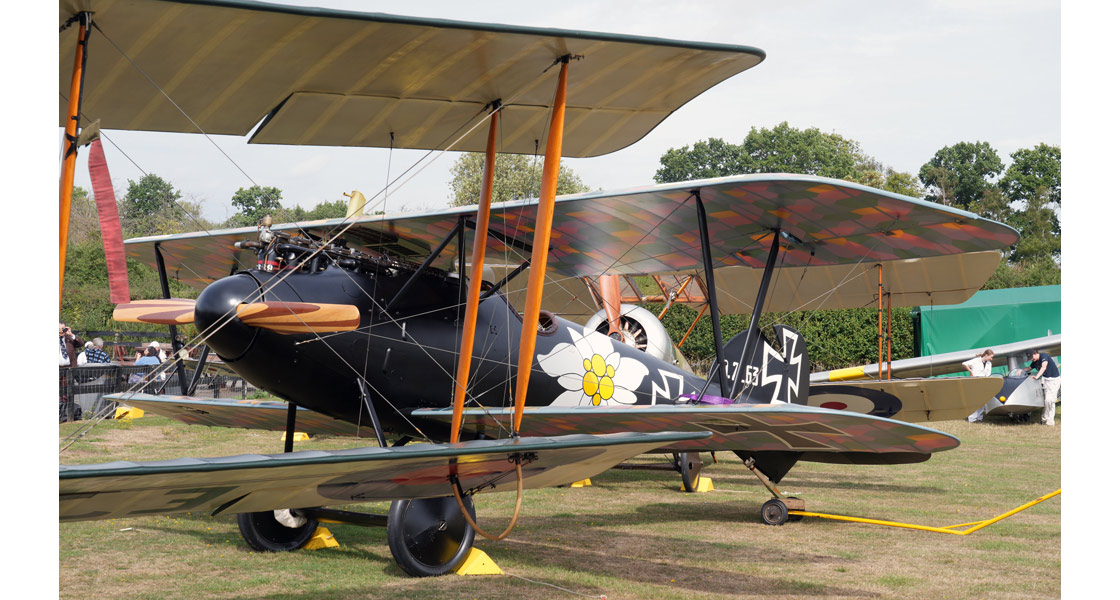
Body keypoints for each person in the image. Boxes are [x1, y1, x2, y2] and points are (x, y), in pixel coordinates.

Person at [1028, 348, 1061, 426]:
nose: (1031, 360)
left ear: (1035, 353)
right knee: (1050, 402)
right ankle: (1048, 422)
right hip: (1045, 381)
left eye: (1032, 357)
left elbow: (1043, 367)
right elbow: (1028, 368)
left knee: (1049, 401)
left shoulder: (1044, 356)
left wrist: (1037, 376)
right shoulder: (1034, 362)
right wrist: (1020, 371)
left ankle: (1045, 419)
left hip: (1054, 381)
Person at [964, 349, 995, 423]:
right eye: (991, 357)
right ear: (986, 355)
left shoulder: (989, 364)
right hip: (974, 383)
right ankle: (972, 419)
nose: (991, 359)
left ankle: (979, 418)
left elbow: (988, 375)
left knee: (982, 402)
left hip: (983, 383)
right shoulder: (975, 361)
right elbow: (964, 364)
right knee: (974, 401)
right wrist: (971, 371)